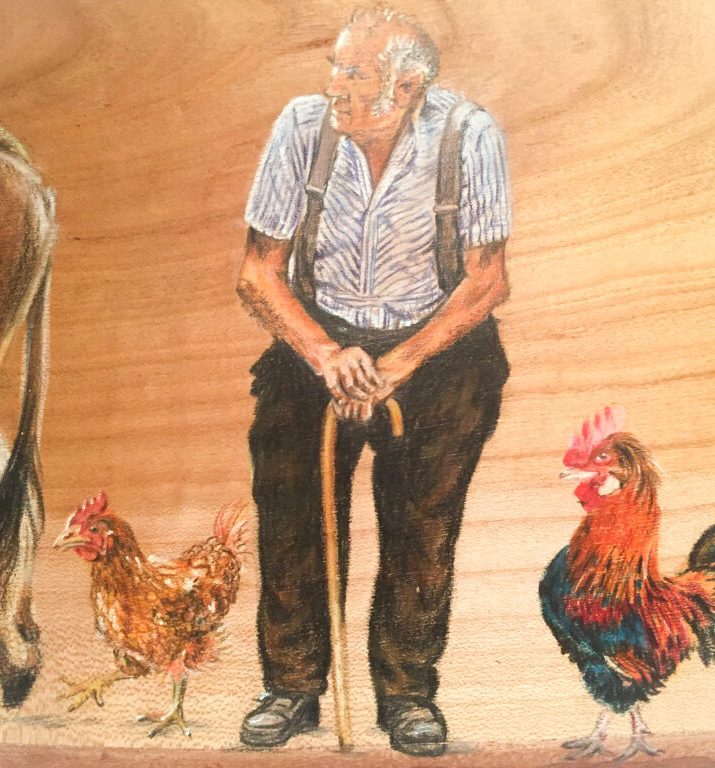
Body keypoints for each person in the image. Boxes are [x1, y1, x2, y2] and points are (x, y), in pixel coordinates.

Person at [235, 7, 512, 757]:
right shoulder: (302, 128)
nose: (335, 85)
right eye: (335, 67)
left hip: (437, 349)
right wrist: (325, 353)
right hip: (317, 336)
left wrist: (398, 364)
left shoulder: (470, 136)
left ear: (408, 87)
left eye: (353, 74)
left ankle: (408, 694)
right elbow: (258, 271)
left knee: (422, 526)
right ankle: (292, 686)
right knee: (290, 510)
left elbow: (486, 281)